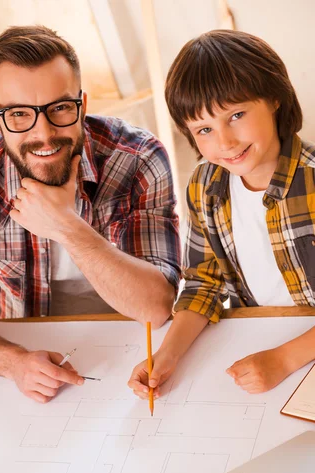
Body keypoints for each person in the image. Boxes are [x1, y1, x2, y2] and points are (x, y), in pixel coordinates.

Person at [0, 25, 181, 403]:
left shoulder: (139, 158)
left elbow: (155, 309)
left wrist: (67, 227)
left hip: (136, 353)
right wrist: (13, 363)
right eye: (20, 114)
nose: (44, 133)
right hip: (29, 352)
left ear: (82, 105)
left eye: (59, 108)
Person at [129, 29, 315, 399]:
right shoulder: (205, 185)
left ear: (275, 98)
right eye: (204, 129)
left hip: (292, 355)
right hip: (263, 345)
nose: (225, 143)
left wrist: (283, 360)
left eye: (237, 115)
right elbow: (203, 284)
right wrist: (167, 354)